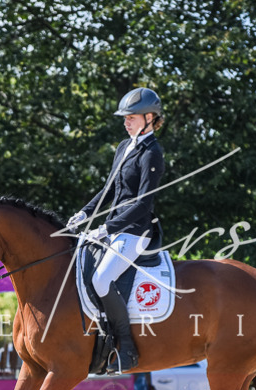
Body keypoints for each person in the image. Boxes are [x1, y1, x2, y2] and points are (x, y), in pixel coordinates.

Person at [67, 86, 166, 372]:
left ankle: (127, 347)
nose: (126, 122)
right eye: (125, 117)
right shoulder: (125, 147)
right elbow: (110, 189)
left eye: (132, 117)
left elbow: (144, 204)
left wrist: (106, 227)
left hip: (136, 232)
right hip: (114, 229)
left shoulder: (152, 153)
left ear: (149, 117)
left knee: (100, 280)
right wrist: (85, 212)